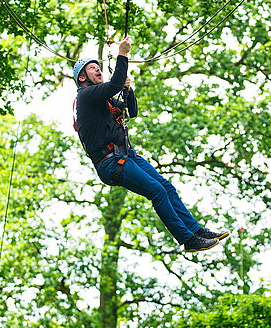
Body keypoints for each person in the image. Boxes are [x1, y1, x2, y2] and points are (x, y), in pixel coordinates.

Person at [72, 36, 229, 252]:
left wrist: (127, 90)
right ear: (82, 78)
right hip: (110, 162)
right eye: (92, 68)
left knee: (166, 186)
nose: (98, 70)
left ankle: (195, 230)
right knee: (156, 190)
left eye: (98, 67)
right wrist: (122, 54)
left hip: (126, 155)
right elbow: (114, 83)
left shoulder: (103, 100)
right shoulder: (86, 96)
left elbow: (131, 111)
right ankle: (187, 240)